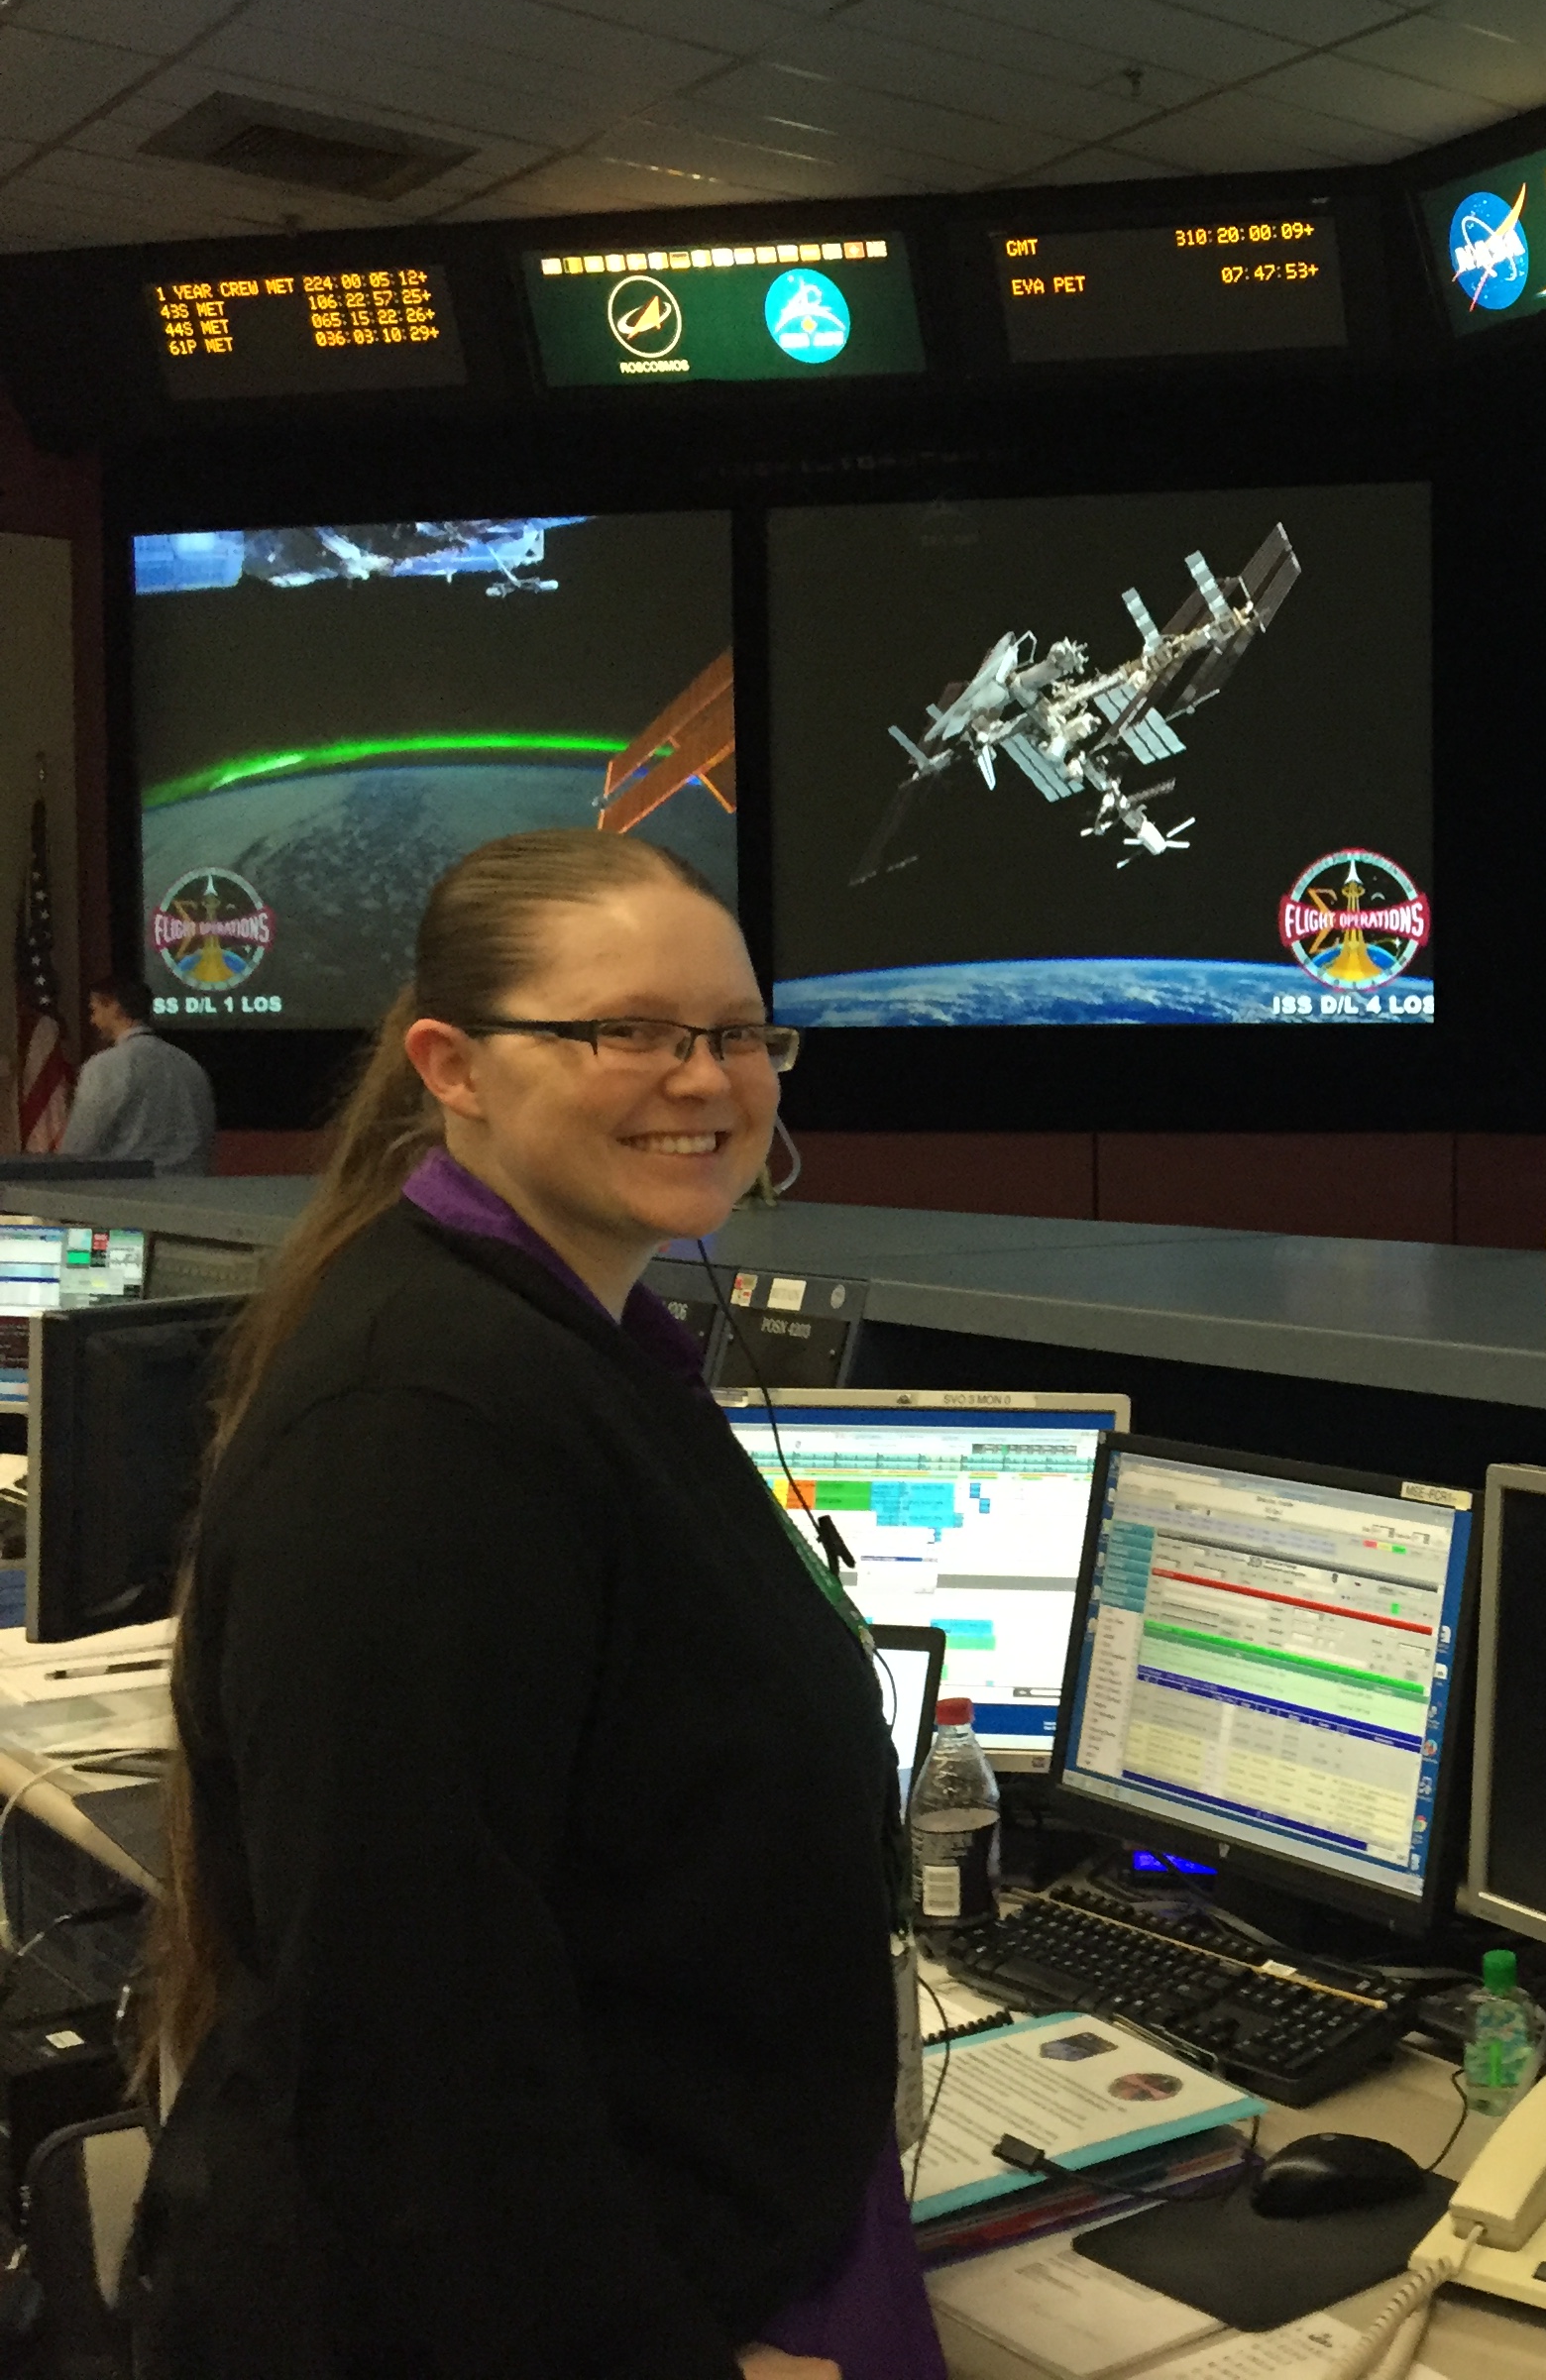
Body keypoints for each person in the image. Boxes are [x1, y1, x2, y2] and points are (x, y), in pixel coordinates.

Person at [131, 832, 939, 2380]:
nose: (705, 1080)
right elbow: (408, 2028)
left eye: (738, 1034)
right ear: (453, 1066)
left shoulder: (564, 1347)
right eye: (625, 1031)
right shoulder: (420, 1422)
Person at [63, 976, 215, 1174]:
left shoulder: (104, 1066)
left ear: (115, 1007)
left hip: (129, 1188)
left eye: (95, 1010)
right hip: (192, 1187)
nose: (92, 1020)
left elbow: (80, 1143)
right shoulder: (188, 1063)